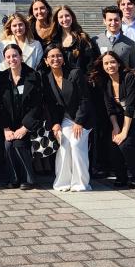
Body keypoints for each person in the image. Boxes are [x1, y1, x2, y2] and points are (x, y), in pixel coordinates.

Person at [41, 44, 92, 192]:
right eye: (52, 56)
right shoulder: (47, 78)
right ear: (46, 60)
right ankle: (63, 182)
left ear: (63, 59)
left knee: (76, 145)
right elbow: (50, 105)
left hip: (82, 118)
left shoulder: (75, 73)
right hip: (65, 118)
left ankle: (81, 184)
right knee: (63, 142)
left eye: (59, 56)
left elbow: (84, 100)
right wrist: (55, 124)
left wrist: (79, 122)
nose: (55, 59)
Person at [0, 43, 43, 190]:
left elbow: (37, 105)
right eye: (8, 57)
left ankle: (29, 179)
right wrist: (6, 128)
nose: (12, 59)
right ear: (4, 59)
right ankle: (14, 178)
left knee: (19, 143)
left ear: (21, 56)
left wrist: (25, 127)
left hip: (29, 124)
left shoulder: (33, 76)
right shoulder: (1, 78)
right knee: (8, 143)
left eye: (15, 55)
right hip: (9, 124)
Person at [91, 50, 135, 188]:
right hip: (120, 119)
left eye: (112, 62)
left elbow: (130, 107)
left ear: (119, 63)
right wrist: (116, 127)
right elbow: (110, 108)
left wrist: (124, 132)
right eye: (106, 63)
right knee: (113, 143)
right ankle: (121, 177)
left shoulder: (129, 77)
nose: (110, 66)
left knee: (125, 144)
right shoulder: (106, 82)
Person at [55, 5, 96, 74]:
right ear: (57, 20)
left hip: (79, 80)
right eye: (61, 17)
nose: (64, 19)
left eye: (67, 16)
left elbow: (90, 62)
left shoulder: (82, 38)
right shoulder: (54, 39)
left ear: (72, 17)